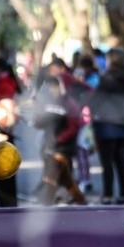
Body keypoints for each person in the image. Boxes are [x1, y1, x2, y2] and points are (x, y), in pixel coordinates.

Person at [88, 48, 124, 205]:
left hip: (106, 123)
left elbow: (94, 102)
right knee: (120, 160)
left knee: (107, 162)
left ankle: (107, 195)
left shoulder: (106, 79)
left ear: (112, 60)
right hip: (123, 124)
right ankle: (123, 194)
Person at [32, 76, 86, 205]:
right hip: (49, 146)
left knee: (51, 178)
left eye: (54, 87)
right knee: (66, 180)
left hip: (63, 148)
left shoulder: (70, 104)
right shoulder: (48, 104)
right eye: (49, 87)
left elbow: (74, 127)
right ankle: (80, 202)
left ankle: (47, 203)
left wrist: (59, 139)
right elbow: (39, 123)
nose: (52, 90)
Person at [0, 56, 22, 207]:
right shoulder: (0, 81)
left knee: (4, 166)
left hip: (2, 130)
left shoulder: (5, 83)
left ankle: (8, 204)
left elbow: (5, 106)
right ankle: (6, 202)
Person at [73, 54, 100, 193]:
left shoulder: (94, 81)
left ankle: (85, 179)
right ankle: (82, 177)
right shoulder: (84, 80)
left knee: (83, 151)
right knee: (80, 152)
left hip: (87, 120)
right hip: (80, 119)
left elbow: (90, 97)